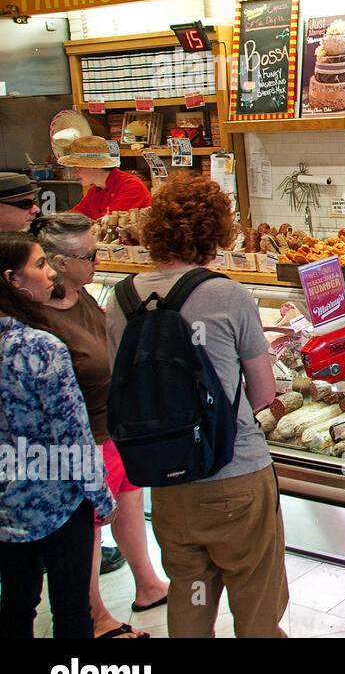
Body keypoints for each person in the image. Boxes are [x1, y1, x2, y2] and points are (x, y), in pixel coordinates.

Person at [104, 175, 288, 638]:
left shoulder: (119, 300)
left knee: (191, 591)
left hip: (166, 481)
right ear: (217, 232)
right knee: (255, 600)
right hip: (235, 478)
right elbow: (263, 392)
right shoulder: (227, 294)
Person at [32, 212, 170, 638]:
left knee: (130, 502)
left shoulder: (82, 294)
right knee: (89, 528)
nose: (98, 261)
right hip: (83, 436)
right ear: (57, 262)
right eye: (89, 255)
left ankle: (147, 583)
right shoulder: (40, 315)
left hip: (115, 423)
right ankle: (94, 614)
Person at [0, 231, 117, 638]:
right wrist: (100, 496)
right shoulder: (40, 347)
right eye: (39, 264)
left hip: (6, 501)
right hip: (57, 501)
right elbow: (72, 434)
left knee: (16, 605)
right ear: (12, 280)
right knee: (71, 609)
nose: (50, 271)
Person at [58, 135, 152, 219]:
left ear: (95, 166)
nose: (73, 173)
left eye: (77, 167)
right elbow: (73, 217)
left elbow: (108, 223)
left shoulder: (131, 187)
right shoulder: (93, 192)